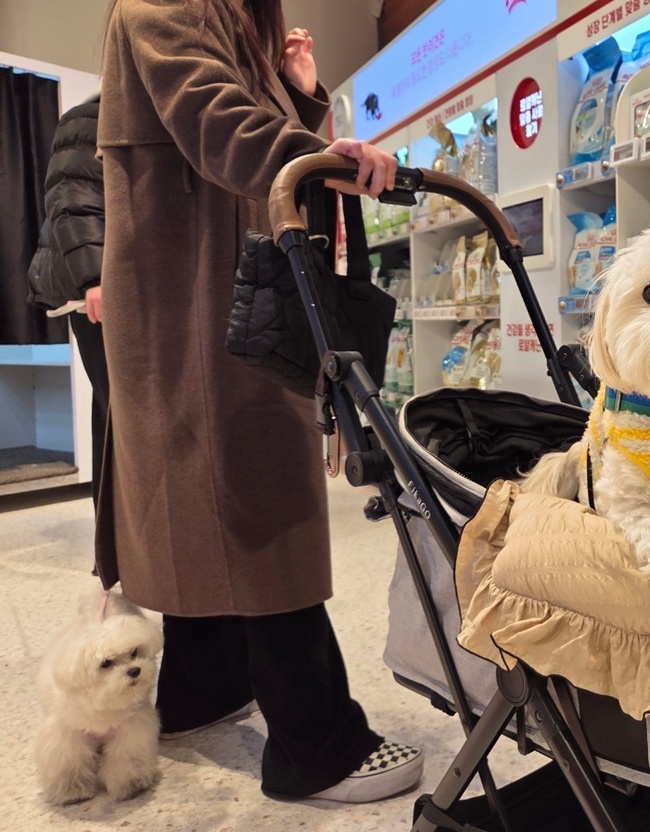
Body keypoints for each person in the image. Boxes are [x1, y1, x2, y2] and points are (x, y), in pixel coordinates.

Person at [96, 0, 419, 804]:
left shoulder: (228, 15)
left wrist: (303, 96)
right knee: (255, 492)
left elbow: (238, 114)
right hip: (195, 291)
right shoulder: (163, 4)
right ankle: (315, 743)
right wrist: (316, 150)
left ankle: (203, 688)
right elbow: (213, 116)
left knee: (204, 486)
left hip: (217, 282)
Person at [26, 93, 108, 509]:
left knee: (114, 414)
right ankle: (120, 545)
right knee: (119, 416)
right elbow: (70, 199)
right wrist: (94, 277)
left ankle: (115, 545)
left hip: (125, 287)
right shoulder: (89, 116)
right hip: (99, 292)